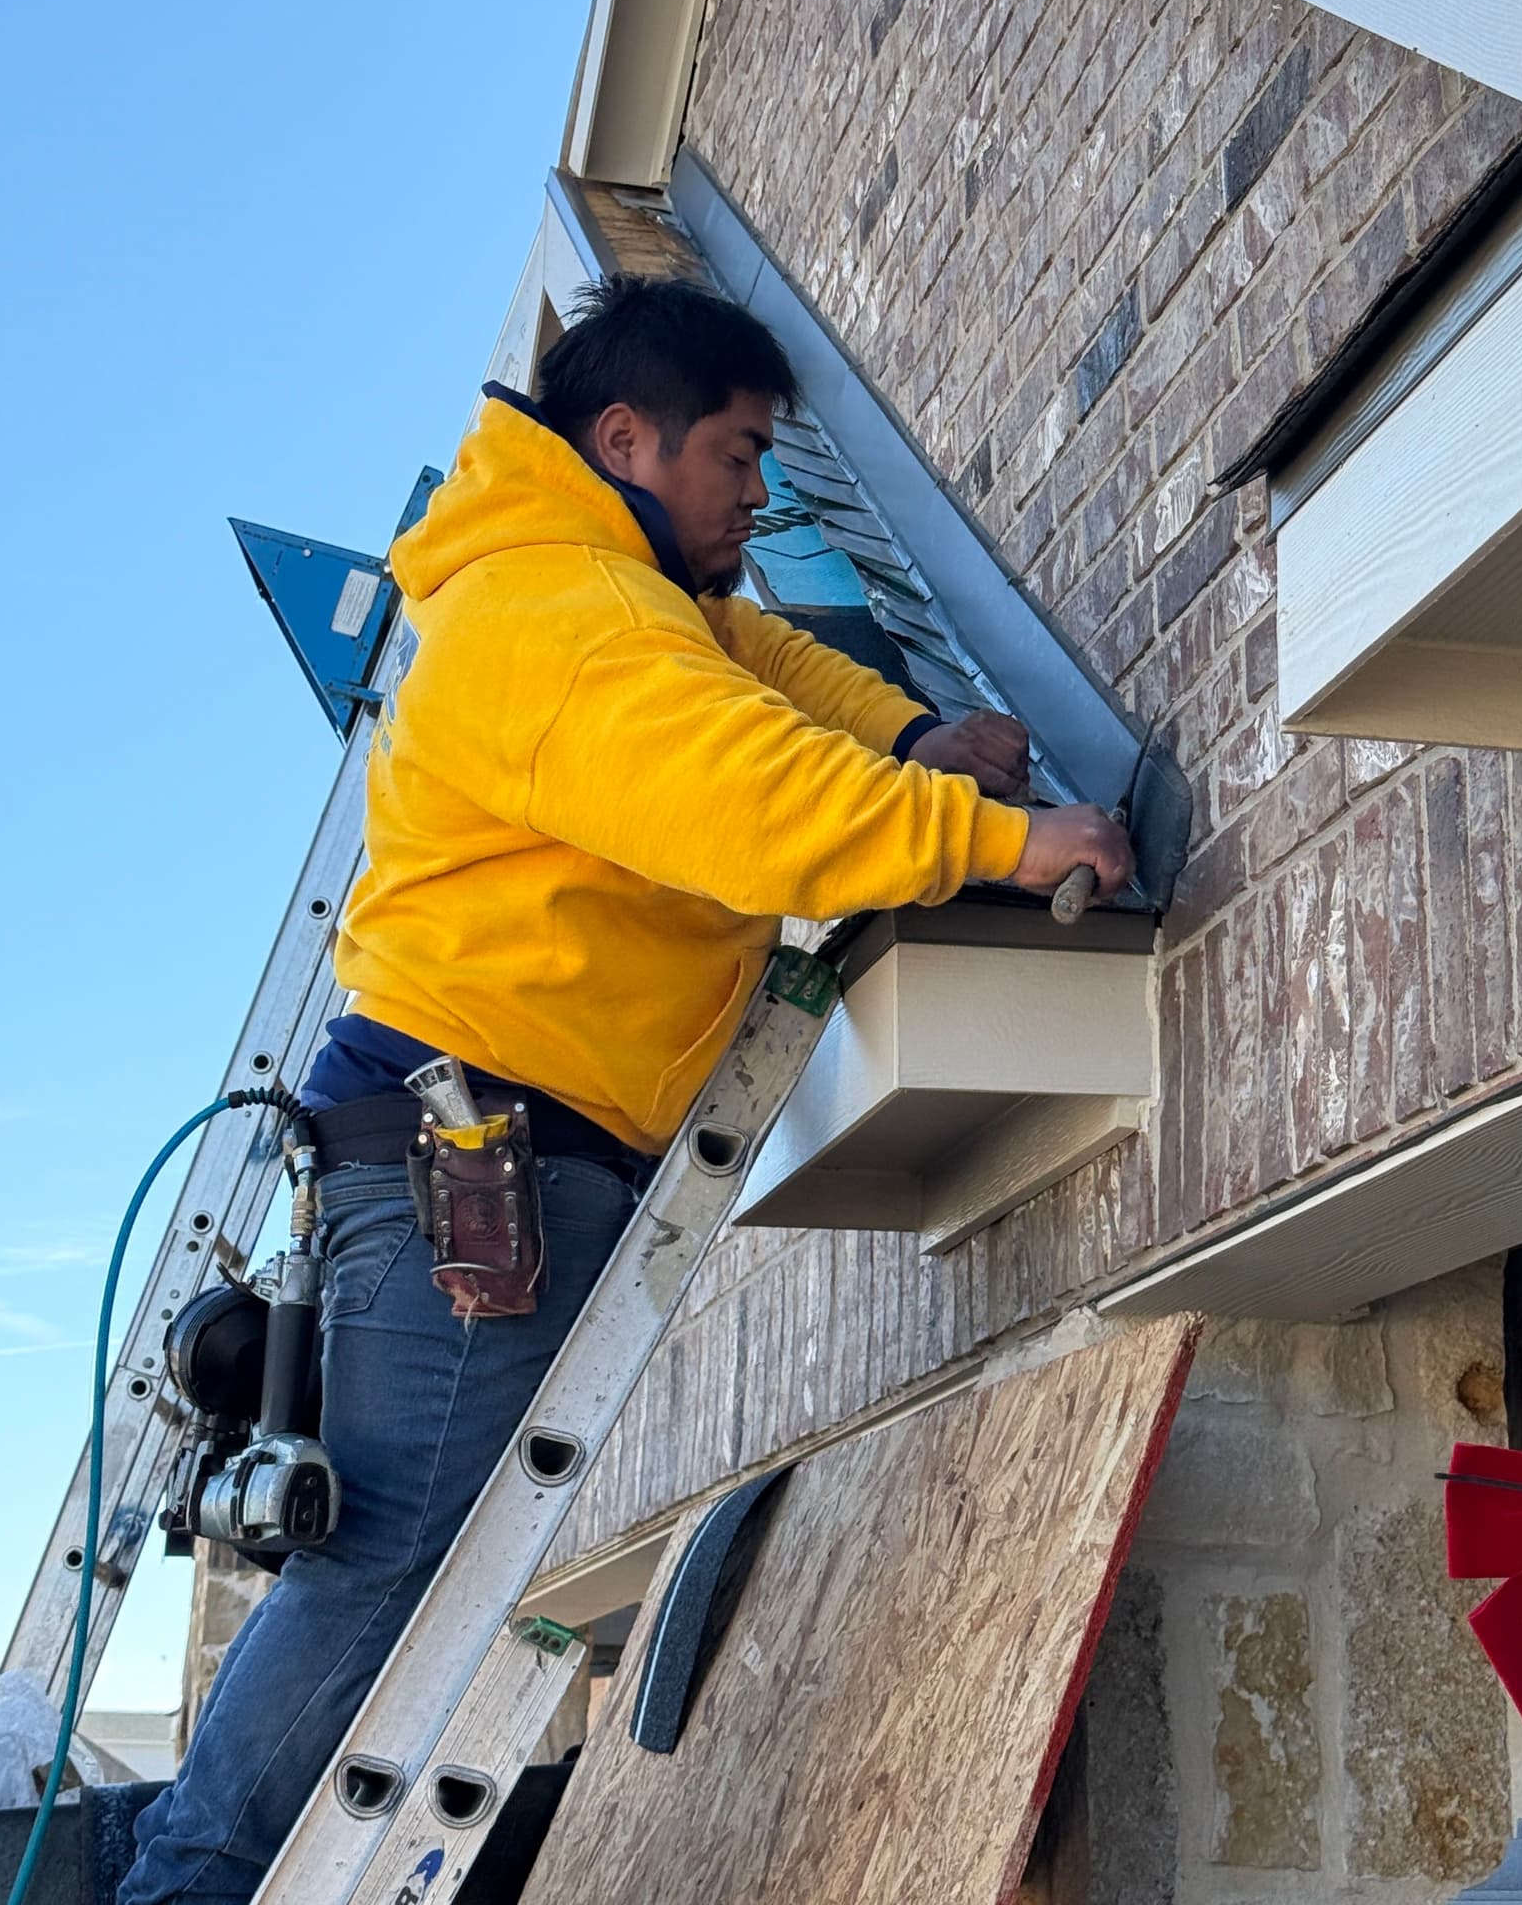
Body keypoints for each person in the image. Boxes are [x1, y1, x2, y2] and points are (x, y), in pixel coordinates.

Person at [119, 275, 1133, 1902]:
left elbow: (770, 677)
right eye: (738, 454)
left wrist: (921, 728)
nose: (758, 493)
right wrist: (1005, 841)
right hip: (480, 1152)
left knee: (408, 1558)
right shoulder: (557, 618)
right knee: (388, 1561)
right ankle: (195, 1885)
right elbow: (740, 790)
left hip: (500, 1140)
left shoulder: (620, 591)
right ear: (626, 438)